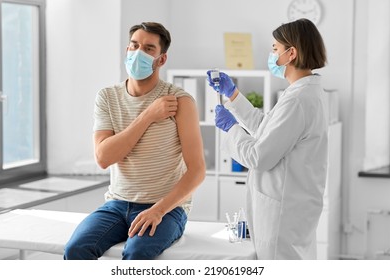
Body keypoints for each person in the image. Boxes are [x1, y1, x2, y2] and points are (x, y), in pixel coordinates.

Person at [64, 22, 206, 260]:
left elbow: (197, 170)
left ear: (161, 59)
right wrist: (148, 116)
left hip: (166, 208)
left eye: (149, 48)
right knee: (76, 249)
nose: (138, 52)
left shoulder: (180, 101)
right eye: (134, 45)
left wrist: (158, 210)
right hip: (116, 205)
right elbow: (104, 157)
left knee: (137, 253)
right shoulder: (107, 97)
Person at [207, 18, 328, 259]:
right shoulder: (302, 92)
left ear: (291, 53)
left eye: (275, 48)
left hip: (283, 215)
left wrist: (231, 128)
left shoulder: (298, 99)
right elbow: (267, 129)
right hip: (292, 210)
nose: (272, 54)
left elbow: (259, 156)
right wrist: (233, 95)